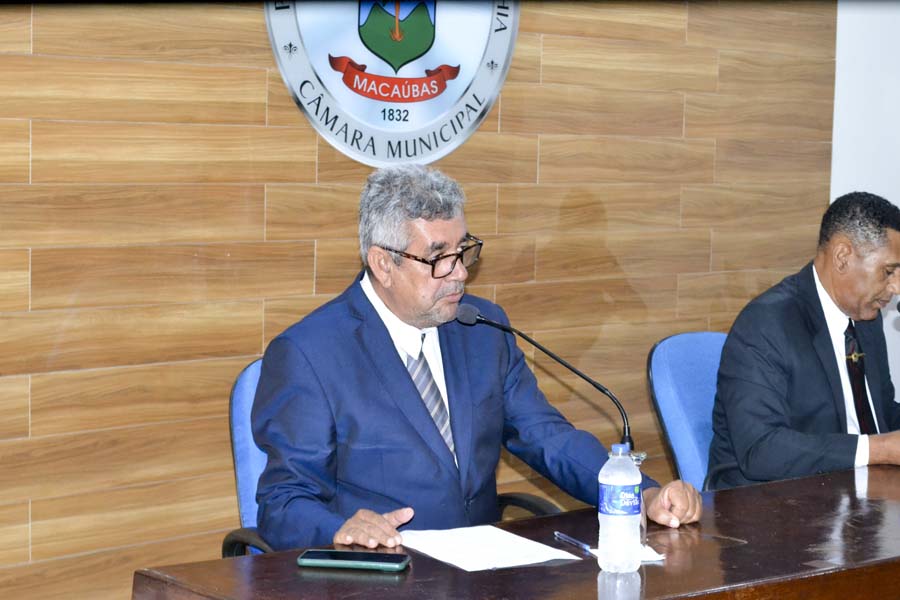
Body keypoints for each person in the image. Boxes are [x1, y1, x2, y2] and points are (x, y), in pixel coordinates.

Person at [252, 165, 701, 550]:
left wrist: (639, 494)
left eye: (463, 250)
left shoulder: (481, 328)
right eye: (438, 258)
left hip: (484, 572)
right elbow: (283, 501)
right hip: (381, 575)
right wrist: (340, 529)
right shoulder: (310, 354)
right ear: (383, 264)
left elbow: (546, 436)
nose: (461, 273)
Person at [708, 191, 900, 490]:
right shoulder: (765, 324)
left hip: (859, 493)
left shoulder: (866, 319)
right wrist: (879, 449)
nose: (896, 287)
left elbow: (882, 413)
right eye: (888, 272)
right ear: (842, 257)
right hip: (771, 503)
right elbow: (761, 449)